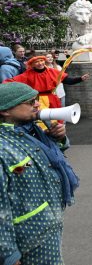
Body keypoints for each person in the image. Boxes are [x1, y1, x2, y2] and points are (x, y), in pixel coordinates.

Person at [0, 82, 80, 265]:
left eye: (36, 99)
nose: (37, 104)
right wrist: (9, 255)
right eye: (30, 102)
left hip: (45, 225)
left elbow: (35, 162)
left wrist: (57, 139)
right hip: (27, 235)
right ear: (5, 110)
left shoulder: (30, 131)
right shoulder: (3, 148)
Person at [3, 56, 89, 109]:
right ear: (32, 65)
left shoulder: (52, 71)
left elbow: (67, 80)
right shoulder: (27, 74)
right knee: (42, 122)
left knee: (57, 119)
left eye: (41, 61)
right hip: (37, 99)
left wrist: (80, 78)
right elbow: (12, 81)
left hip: (52, 98)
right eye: (36, 62)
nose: (40, 63)